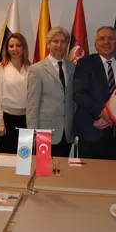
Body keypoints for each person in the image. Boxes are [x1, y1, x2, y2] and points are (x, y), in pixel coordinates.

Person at [73, 26, 116, 160]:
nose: (106, 42)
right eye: (102, 39)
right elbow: (79, 94)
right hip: (92, 131)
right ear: (95, 43)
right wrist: (101, 112)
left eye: (110, 38)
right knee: (90, 172)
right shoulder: (85, 63)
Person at [27, 27, 75, 157]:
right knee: (43, 167)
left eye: (63, 41)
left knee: (62, 167)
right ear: (48, 44)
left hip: (67, 132)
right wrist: (32, 132)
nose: (59, 45)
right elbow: (32, 105)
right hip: (44, 131)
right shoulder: (36, 69)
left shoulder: (73, 67)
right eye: (55, 41)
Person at [0, 33, 31, 153]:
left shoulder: (31, 68)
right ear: (6, 48)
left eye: (18, 45)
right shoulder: (0, 69)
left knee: (25, 156)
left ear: (23, 47)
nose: (14, 49)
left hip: (26, 119)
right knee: (7, 157)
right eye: (11, 46)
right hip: (7, 120)